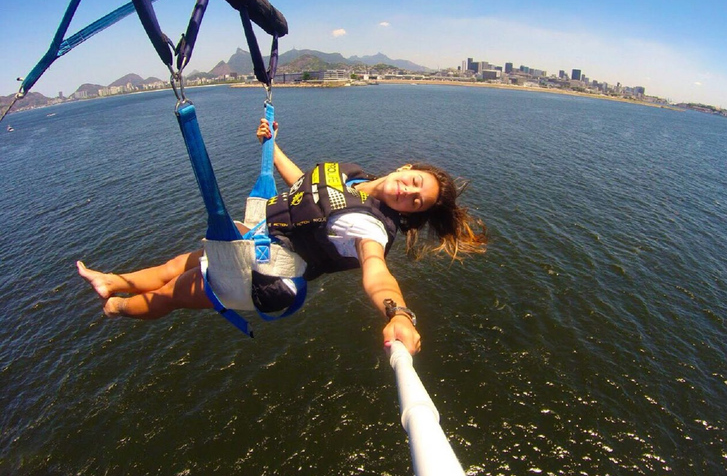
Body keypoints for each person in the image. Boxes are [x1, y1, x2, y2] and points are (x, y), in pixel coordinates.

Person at [78, 119, 487, 354]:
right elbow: (303, 187)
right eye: (414, 182)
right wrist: (270, 147)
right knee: (175, 266)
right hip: (253, 244)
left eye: (416, 202)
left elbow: (377, 273)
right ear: (406, 166)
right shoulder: (354, 178)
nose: (408, 193)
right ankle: (112, 282)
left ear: (408, 214)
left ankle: (115, 308)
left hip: (262, 277)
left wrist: (397, 311)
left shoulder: (370, 227)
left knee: (174, 292)